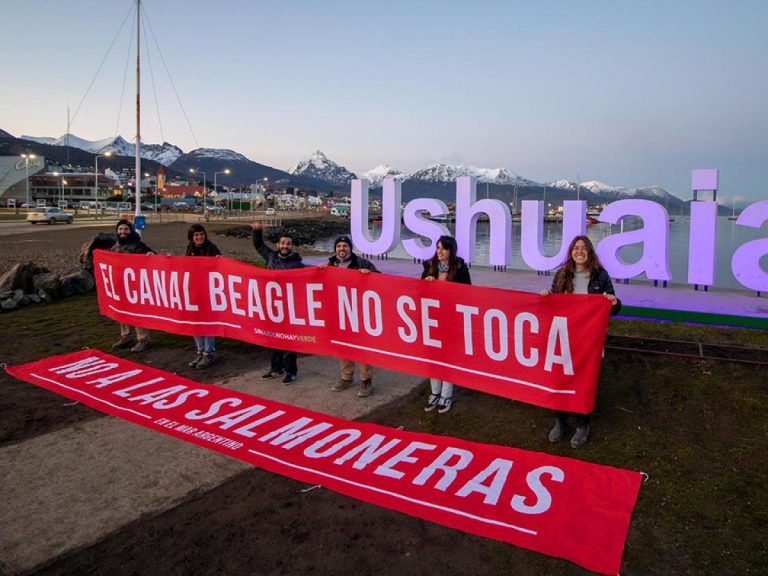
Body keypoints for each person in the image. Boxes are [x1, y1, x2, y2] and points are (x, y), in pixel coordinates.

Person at [540, 235, 622, 448]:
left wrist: (613, 302)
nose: (580, 251)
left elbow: (613, 307)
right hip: (564, 338)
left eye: (584, 248)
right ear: (571, 252)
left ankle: (582, 424)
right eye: (576, 248)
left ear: (590, 252)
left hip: (589, 339)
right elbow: (552, 306)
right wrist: (546, 298)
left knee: (584, 382)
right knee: (560, 379)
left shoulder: (600, 276)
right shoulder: (562, 274)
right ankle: (560, 421)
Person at [322, 235, 380, 398]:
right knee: (343, 346)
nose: (342, 249)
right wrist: (320, 272)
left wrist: (370, 274)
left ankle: (366, 380)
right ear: (335, 249)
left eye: (345, 246)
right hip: (339, 312)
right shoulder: (330, 264)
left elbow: (380, 279)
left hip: (359, 312)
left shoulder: (361, 263)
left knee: (361, 347)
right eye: (339, 246)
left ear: (350, 249)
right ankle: (346, 377)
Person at [421, 235, 471, 414]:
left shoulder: (460, 269)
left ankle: (446, 395)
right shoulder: (429, 266)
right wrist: (426, 283)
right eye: (437, 248)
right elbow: (420, 291)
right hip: (432, 317)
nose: (439, 252)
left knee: (448, 357)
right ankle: (434, 393)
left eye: (443, 248)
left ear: (451, 251)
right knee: (433, 355)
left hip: (450, 319)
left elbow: (467, 293)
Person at [251, 222, 304, 384]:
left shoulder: (298, 265)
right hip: (271, 307)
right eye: (282, 243)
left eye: (288, 244)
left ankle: (290, 371)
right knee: (273, 338)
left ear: (292, 246)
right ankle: (276, 368)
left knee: (288, 340)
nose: (285, 246)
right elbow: (258, 245)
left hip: (289, 309)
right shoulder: (271, 257)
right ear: (277, 244)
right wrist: (257, 231)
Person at [110, 219, 155, 353]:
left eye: (126, 229)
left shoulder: (138, 246)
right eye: (120, 229)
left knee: (138, 312)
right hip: (120, 286)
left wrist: (150, 256)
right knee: (122, 311)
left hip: (136, 287)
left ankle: (143, 339)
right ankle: (126, 336)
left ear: (130, 231)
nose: (123, 232)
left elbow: (153, 256)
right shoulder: (115, 247)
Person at [185, 224, 221, 369]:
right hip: (194, 290)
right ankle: (200, 351)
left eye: (201, 234)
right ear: (192, 237)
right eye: (196, 235)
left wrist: (220, 260)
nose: (199, 237)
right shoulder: (190, 249)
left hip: (208, 291)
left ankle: (209, 352)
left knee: (207, 322)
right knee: (196, 321)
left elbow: (220, 266)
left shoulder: (211, 248)